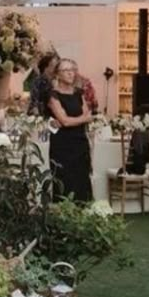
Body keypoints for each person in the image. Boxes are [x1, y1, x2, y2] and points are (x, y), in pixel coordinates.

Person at [47, 58, 93, 203]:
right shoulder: (53, 95)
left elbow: (87, 115)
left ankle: (82, 212)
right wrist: (81, 120)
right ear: (58, 74)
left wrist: (73, 120)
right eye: (66, 70)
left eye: (73, 70)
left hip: (80, 141)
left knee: (81, 177)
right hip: (62, 144)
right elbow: (65, 121)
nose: (70, 73)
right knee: (64, 178)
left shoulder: (79, 93)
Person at [27, 53, 59, 118]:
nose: (57, 68)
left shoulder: (55, 81)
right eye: (54, 65)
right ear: (46, 67)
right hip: (41, 117)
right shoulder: (38, 81)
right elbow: (35, 101)